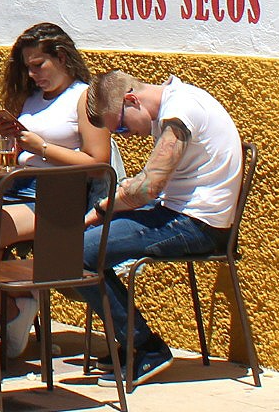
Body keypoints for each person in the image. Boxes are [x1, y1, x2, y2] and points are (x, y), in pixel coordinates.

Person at [0, 22, 112, 360]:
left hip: (60, 195)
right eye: (27, 67)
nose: (32, 74)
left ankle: (14, 310)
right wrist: (11, 139)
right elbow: (21, 152)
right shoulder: (31, 98)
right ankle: (13, 306)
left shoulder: (85, 97)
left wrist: (41, 146)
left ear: (62, 57)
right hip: (20, 186)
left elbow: (98, 161)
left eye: (38, 65)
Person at [78, 71, 244, 386]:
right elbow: (148, 188)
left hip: (197, 225)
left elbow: (148, 188)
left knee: (77, 254)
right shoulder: (175, 101)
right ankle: (131, 342)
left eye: (121, 127)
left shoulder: (180, 112)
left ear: (131, 99)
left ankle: (146, 348)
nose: (127, 136)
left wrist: (99, 211)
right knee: (80, 249)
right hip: (179, 214)